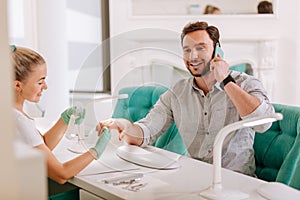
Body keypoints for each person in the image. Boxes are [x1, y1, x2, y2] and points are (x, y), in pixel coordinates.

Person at [97, 21, 274, 176]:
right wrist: (124, 126)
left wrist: (225, 80)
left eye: (200, 48)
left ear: (217, 50)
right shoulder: (177, 92)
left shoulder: (245, 83)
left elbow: (263, 123)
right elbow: (146, 132)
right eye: (187, 50)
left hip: (236, 183)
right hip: (194, 178)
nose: (192, 56)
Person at [12, 45, 110, 184]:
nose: (45, 86)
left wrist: (64, 120)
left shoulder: (12, 112)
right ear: (17, 85)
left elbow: (41, 147)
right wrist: (96, 150)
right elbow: (62, 175)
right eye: (40, 82)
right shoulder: (18, 120)